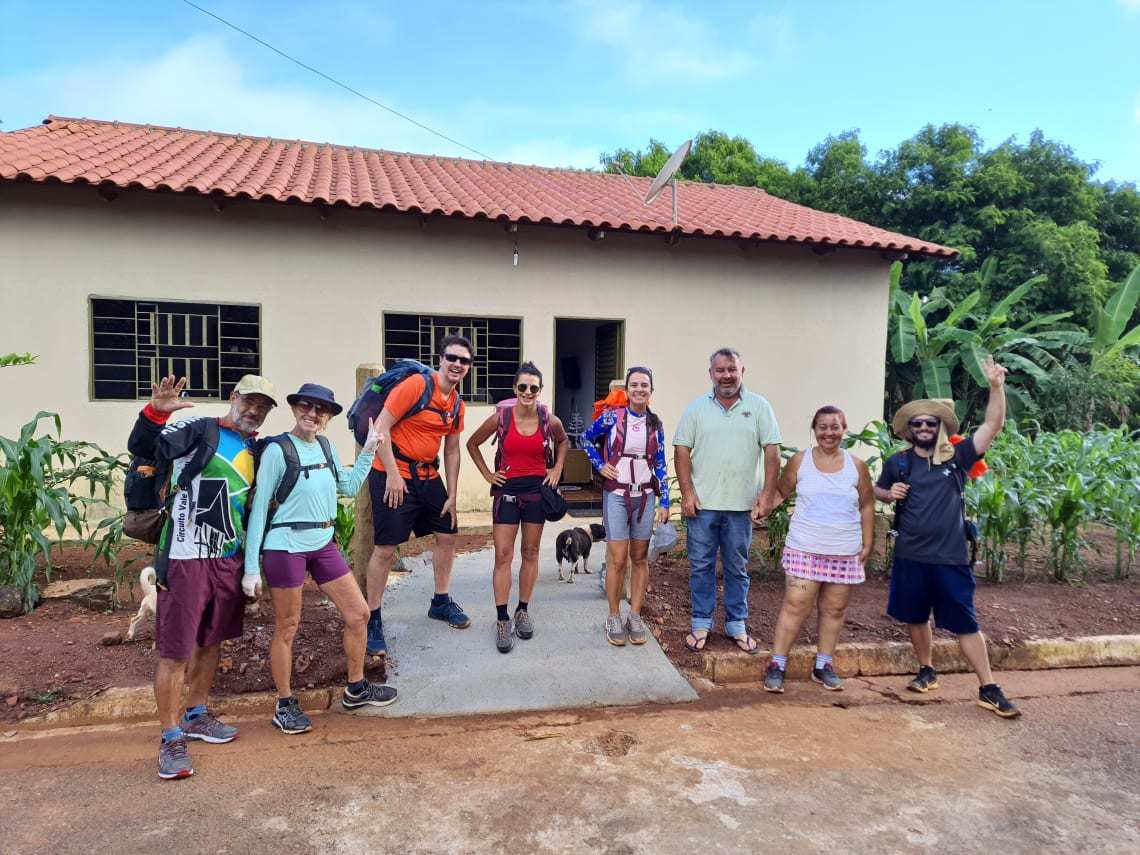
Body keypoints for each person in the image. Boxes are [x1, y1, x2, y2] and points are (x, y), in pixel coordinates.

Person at [127, 373, 277, 780]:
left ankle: (195, 714)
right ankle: (170, 737)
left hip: (227, 558)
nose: (253, 410)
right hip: (185, 556)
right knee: (176, 650)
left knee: (212, 640)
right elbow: (144, 449)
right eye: (249, 401)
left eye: (262, 406)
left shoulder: (254, 448)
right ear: (233, 397)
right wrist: (155, 412)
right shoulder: (198, 429)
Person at [243, 383, 398, 734]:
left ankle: (356, 688)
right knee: (288, 626)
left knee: (359, 613)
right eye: (306, 407)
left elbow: (347, 486)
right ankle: (284, 703)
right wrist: (251, 566)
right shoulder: (278, 451)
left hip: (322, 542)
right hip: (285, 545)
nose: (312, 414)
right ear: (295, 408)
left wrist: (370, 449)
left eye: (320, 410)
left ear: (327, 417)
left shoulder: (325, 447)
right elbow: (259, 513)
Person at [874, 357, 1021, 718]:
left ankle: (988, 686)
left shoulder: (959, 457)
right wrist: (888, 493)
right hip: (910, 556)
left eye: (931, 422)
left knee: (965, 622)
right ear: (909, 430)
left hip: (950, 558)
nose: (924, 427)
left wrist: (996, 387)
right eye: (917, 423)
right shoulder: (899, 462)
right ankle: (926, 669)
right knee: (915, 616)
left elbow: (993, 424)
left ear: (940, 427)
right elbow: (877, 491)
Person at [364, 335, 472, 657]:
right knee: (385, 549)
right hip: (391, 474)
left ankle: (440, 601)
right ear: (441, 358)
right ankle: (373, 617)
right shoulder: (415, 386)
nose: (457, 365)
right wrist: (394, 476)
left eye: (464, 361)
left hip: (428, 476)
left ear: (468, 367)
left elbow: (452, 450)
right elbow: (380, 429)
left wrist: (452, 494)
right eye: (452, 357)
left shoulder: (456, 404)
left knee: (448, 535)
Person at [674, 348, 781, 654]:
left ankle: (737, 623)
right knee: (701, 567)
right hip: (703, 507)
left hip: (741, 507)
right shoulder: (696, 409)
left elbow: (771, 452)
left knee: (737, 568)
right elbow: (682, 450)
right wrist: (688, 494)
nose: (726, 375)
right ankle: (701, 622)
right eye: (720, 370)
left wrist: (766, 496)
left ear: (742, 371)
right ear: (711, 374)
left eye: (731, 369)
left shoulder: (760, 407)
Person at [761, 406, 874, 694]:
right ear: (815, 430)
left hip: (844, 549)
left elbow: (867, 504)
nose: (829, 433)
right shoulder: (801, 461)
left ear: (844, 429)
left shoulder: (857, 466)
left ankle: (823, 665)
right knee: (795, 605)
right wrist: (762, 507)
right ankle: (777, 664)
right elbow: (781, 493)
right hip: (805, 546)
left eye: (835, 427)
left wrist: (868, 541)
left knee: (834, 609)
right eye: (823, 427)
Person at [466, 362, 569, 652]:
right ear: (514, 389)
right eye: (522, 386)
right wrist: (488, 475)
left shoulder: (548, 418)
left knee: (531, 552)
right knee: (503, 555)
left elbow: (563, 441)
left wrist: (558, 468)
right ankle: (502, 619)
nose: (527, 391)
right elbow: (472, 444)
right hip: (507, 492)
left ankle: (522, 610)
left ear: (539, 391)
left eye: (533, 387)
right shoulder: (502, 416)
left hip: (537, 493)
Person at [581, 366, 670, 646]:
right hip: (617, 495)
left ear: (651, 391)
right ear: (627, 389)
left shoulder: (656, 424)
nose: (639, 389)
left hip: (645, 496)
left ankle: (634, 614)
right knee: (618, 559)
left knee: (640, 558)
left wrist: (665, 499)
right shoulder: (612, 417)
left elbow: (660, 463)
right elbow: (585, 439)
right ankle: (613, 615)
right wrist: (600, 466)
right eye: (634, 385)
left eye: (645, 385)